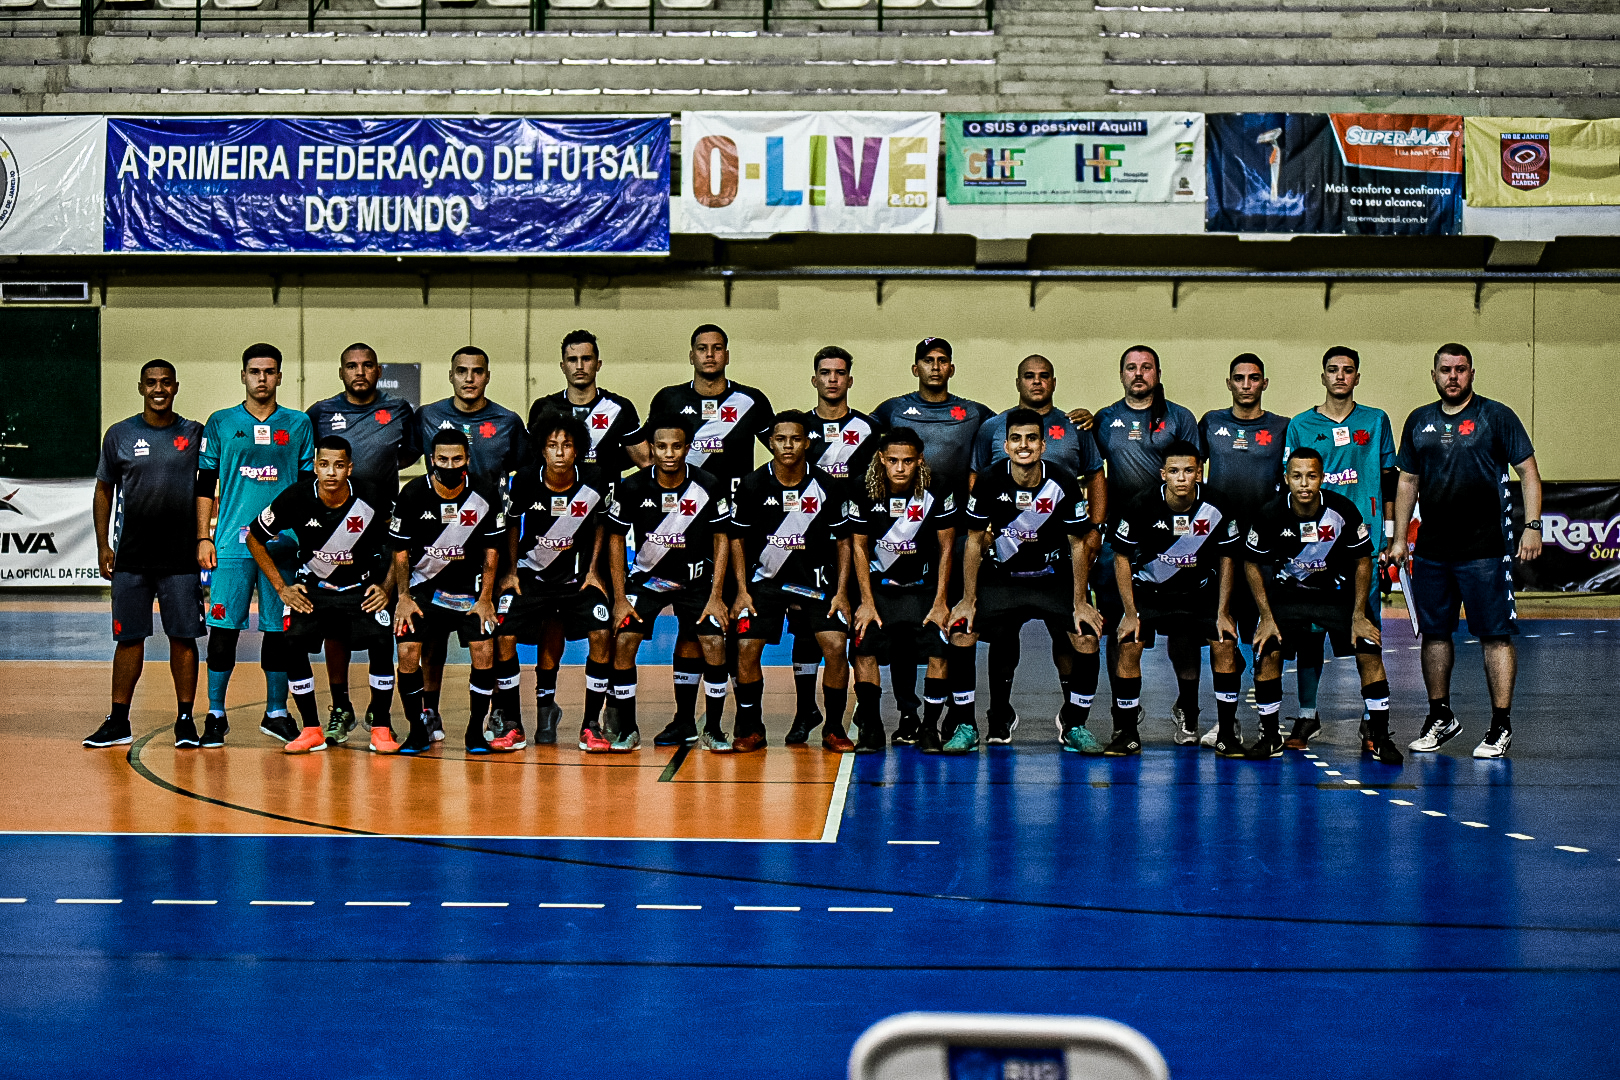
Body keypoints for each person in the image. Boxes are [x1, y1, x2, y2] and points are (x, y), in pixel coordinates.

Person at [1387, 344, 1541, 760]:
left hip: (1485, 547)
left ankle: (1500, 725)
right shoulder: (1419, 421)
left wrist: (1532, 526)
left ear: (1472, 373)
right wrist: (1400, 538)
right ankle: (1440, 716)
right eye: (1445, 370)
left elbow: (1527, 471)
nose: (1452, 377)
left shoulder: (1496, 416)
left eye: (1460, 370)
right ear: (1433, 375)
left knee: (1495, 635)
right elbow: (1406, 482)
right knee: (1434, 633)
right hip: (1434, 548)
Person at [637, 325, 775, 734]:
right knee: (690, 625)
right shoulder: (670, 399)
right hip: (682, 525)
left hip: (735, 528)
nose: (710, 355)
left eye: (717, 349)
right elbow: (651, 453)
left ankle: (748, 721)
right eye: (702, 349)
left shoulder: (751, 400)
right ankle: (684, 719)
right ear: (691, 355)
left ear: (727, 355)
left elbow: (782, 452)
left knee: (734, 627)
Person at [946, 411, 1102, 754]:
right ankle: (967, 723)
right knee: (960, 628)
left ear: (1043, 444)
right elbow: (973, 541)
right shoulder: (988, 480)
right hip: (1002, 578)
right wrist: (968, 598)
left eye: (1031, 438)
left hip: (1052, 578)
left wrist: (1080, 601)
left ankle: (1075, 723)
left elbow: (1078, 544)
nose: (1024, 445)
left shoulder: (1062, 480)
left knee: (1087, 636)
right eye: (1016, 439)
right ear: (1005, 445)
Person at [970, 353, 1106, 741]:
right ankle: (998, 714)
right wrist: (985, 528)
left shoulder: (1075, 425)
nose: (1036, 382)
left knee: (1073, 634)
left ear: (1054, 382)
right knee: (1001, 635)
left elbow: (1095, 474)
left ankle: (1072, 718)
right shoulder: (992, 427)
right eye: (1028, 376)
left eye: (1044, 376)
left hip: (1056, 562)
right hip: (1007, 558)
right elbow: (977, 478)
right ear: (1017, 382)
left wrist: (1095, 528)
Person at [1242, 447, 1403, 763]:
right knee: (1266, 650)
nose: (1304, 484)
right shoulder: (1270, 514)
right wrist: (1265, 616)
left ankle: (1380, 737)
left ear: (1322, 478)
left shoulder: (1342, 510)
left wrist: (1358, 613)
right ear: (1287, 478)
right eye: (1297, 476)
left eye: (1311, 476)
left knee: (1369, 649)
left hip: (1338, 598)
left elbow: (1362, 560)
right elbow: (1251, 563)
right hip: (1289, 598)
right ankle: (1271, 735)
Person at [195, 343, 315, 747]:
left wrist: (306, 542)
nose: (261, 378)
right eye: (254, 371)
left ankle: (276, 713)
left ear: (280, 376)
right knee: (223, 630)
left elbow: (306, 489)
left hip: (283, 546)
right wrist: (203, 536)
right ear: (243, 376)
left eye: (269, 371)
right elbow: (204, 485)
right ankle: (215, 713)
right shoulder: (221, 423)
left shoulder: (298, 424)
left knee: (278, 630)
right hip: (231, 544)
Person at [244, 436, 395, 755]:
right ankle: (311, 728)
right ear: (314, 466)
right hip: (314, 591)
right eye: (324, 465)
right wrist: (282, 588)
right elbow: (254, 538)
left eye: (339, 465)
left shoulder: (371, 495)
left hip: (361, 590)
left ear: (349, 468)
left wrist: (386, 587)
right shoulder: (296, 497)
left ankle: (381, 726)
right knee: (292, 643)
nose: (331, 473)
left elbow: (400, 540)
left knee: (382, 641)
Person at [83, 360, 206, 750]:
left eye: (165, 383)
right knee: (129, 639)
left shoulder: (195, 433)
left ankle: (185, 721)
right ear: (140, 387)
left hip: (180, 558)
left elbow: (209, 487)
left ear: (175, 388)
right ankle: (118, 720)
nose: (158, 389)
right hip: (131, 558)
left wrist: (205, 537)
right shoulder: (118, 435)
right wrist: (104, 545)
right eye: (151, 383)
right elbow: (103, 491)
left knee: (183, 639)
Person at [1283, 346, 1397, 748]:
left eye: (1348, 370)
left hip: (1361, 541)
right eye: (1333, 370)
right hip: (1313, 546)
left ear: (1357, 377)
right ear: (1323, 376)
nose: (1340, 377)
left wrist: (1390, 534)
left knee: (1365, 626)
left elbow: (1388, 481)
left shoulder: (1376, 420)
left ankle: (1372, 720)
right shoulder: (1300, 424)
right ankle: (1307, 715)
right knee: (1310, 631)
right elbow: (1289, 481)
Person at [306, 342, 419, 745]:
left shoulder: (400, 411)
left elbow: (406, 455)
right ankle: (340, 706)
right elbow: (308, 463)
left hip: (380, 529)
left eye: (367, 365)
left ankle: (378, 707)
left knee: (379, 622)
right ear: (341, 372)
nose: (360, 371)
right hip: (334, 531)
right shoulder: (319, 413)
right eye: (351, 365)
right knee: (335, 627)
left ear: (378, 370)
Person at [413, 346, 526, 742]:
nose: (469, 378)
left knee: (487, 636)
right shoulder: (426, 416)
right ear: (450, 375)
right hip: (433, 544)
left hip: (484, 546)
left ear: (487, 376)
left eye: (477, 371)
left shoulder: (508, 422)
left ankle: (495, 711)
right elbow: (401, 457)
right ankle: (429, 712)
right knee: (431, 639)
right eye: (461, 371)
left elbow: (527, 478)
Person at [1089, 346, 1202, 744]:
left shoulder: (1180, 418)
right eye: (1131, 368)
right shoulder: (1104, 420)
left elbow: (1193, 471)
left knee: (1184, 629)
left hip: (1175, 539)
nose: (1139, 374)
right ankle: (1125, 713)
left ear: (1157, 372)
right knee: (1120, 626)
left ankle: (1188, 707)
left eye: (1146, 367)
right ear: (1121, 375)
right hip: (1120, 540)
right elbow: (1088, 469)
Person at [605, 415, 733, 752]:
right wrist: (620, 598)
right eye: (661, 446)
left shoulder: (708, 484)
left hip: (696, 582)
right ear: (651, 447)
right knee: (624, 637)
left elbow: (723, 539)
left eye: (677, 446)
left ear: (688, 447)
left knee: (712, 641)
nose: (669, 453)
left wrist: (717, 595)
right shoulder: (632, 486)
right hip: (647, 580)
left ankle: (712, 728)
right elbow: (615, 540)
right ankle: (627, 729)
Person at [729, 411, 854, 754]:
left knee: (834, 647)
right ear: (770, 443)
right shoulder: (752, 485)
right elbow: (736, 540)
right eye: (781, 439)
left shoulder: (828, 486)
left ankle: (833, 727)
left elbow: (844, 542)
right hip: (764, 585)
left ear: (807, 442)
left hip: (816, 584)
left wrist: (842, 592)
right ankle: (753, 727)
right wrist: (741, 590)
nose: (788, 445)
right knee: (745, 649)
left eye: (795, 439)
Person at [1108, 441, 1243, 757]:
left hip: (1200, 594)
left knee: (1224, 642)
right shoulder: (1141, 505)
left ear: (1199, 472)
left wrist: (1223, 611)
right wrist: (1130, 612)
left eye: (1188, 471)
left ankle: (1226, 733)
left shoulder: (1217, 505)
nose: (1181, 478)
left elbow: (1227, 559)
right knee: (1130, 641)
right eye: (1174, 471)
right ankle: (1127, 733)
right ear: (1162, 474)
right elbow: (1121, 558)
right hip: (1150, 594)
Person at [496, 413, 615, 750]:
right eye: (552, 446)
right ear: (542, 450)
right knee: (503, 636)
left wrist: (594, 570)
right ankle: (512, 722)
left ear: (578, 450)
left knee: (602, 634)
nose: (560, 452)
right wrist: (509, 571)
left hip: (576, 580)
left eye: (567, 445)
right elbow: (509, 526)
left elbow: (601, 526)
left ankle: (591, 724)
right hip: (530, 578)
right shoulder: (524, 482)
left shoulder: (595, 479)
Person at [1194, 352, 1290, 749]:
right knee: (1225, 634)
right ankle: (1227, 724)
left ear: (1264, 383)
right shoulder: (1210, 423)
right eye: (1239, 378)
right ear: (1229, 383)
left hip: (1267, 551)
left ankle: (1271, 727)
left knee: (1268, 637)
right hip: (1220, 550)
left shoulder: (1284, 427)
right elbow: (1185, 469)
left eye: (1254, 378)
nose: (1246, 384)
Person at [388, 429, 505, 754]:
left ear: (467, 459)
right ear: (432, 460)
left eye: (456, 459)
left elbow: (492, 551)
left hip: (470, 590)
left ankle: (474, 732)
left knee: (484, 648)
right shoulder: (412, 493)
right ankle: (417, 730)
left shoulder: (484, 493)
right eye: (442, 459)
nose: (449, 465)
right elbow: (399, 552)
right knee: (408, 650)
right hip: (423, 589)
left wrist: (485, 600)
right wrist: (404, 598)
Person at [849, 428, 957, 752]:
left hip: (923, 590)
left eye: (907, 461)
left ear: (919, 459)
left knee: (940, 646)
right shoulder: (862, 489)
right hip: (878, 590)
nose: (899, 468)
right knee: (864, 646)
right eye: (893, 460)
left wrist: (940, 602)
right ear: (881, 459)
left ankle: (928, 726)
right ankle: (872, 725)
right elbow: (858, 547)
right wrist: (866, 602)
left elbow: (947, 548)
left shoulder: (937, 488)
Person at [791, 346, 879, 739]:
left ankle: (858, 711)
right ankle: (805, 709)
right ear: (814, 379)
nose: (832, 379)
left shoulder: (869, 428)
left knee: (846, 631)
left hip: (854, 538)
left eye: (839, 372)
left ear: (849, 380)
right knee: (804, 631)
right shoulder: (797, 429)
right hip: (802, 541)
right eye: (824, 372)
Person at [870, 337, 993, 504]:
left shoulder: (974, 411)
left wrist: (979, 474)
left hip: (958, 510)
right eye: (928, 361)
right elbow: (861, 435)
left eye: (942, 361)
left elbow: (1006, 434)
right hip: (904, 513)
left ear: (951, 369)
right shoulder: (894, 409)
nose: (935, 367)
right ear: (915, 369)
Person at [526, 329, 650, 481]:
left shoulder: (619, 408)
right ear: (563, 366)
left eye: (586, 359)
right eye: (572, 360)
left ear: (598, 364)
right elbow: (530, 461)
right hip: (557, 501)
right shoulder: (544, 408)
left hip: (606, 501)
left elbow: (647, 462)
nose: (579, 366)